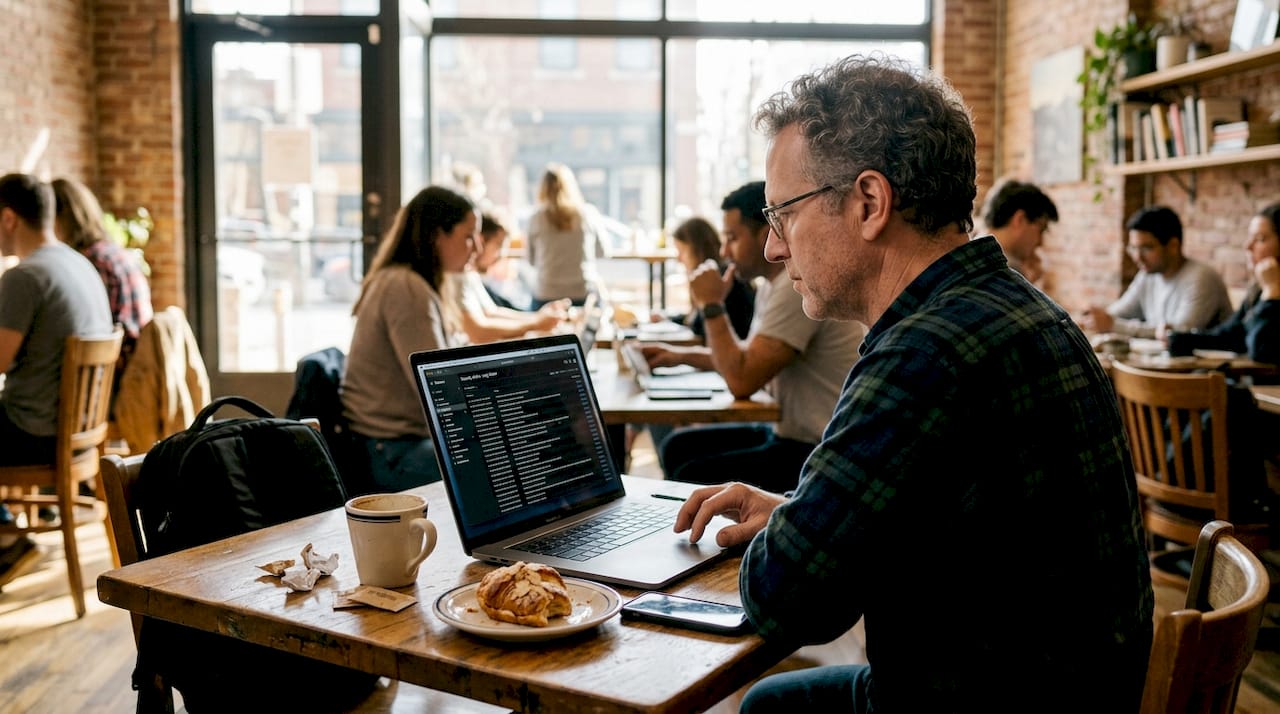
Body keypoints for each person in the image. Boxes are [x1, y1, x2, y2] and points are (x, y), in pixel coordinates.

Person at [674, 55, 1153, 712]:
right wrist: (797, 514)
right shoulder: (1028, 310)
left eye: (783, 212)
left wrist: (792, 535)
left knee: (765, 705)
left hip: (973, 699)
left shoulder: (925, 352)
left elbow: (789, 600)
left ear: (869, 202)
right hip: (1072, 688)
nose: (777, 249)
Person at [640, 181, 864, 491]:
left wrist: (712, 306)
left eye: (732, 238)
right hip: (785, 432)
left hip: (813, 448)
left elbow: (741, 378)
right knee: (678, 447)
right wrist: (679, 356)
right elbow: (746, 356)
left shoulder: (792, 287)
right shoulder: (772, 286)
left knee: (691, 468)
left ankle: (700, 536)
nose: (723, 252)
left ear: (764, 234)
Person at [0, 174, 113, 583]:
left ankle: (8, 540)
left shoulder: (24, 276)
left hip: (33, 431)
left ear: (9, 218)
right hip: (76, 432)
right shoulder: (79, 264)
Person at [341, 185, 476, 492]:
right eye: (468, 236)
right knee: (502, 461)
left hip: (389, 444)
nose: (476, 248)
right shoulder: (407, 289)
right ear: (438, 235)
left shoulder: (409, 281)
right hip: (391, 452)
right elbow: (436, 390)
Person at [1080, 205, 1232, 338]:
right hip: (1163, 367)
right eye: (1133, 248)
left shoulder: (1202, 278)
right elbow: (1118, 312)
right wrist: (1093, 319)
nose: (1137, 257)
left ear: (1173, 246)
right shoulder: (1147, 275)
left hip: (1202, 369)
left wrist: (1113, 325)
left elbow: (1178, 334)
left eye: (1147, 248)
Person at [51, 176, 154, 370]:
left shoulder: (91, 262)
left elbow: (93, 331)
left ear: (62, 219)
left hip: (119, 375)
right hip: (137, 368)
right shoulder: (112, 252)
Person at [1167, 201, 1280, 364]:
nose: (1247, 246)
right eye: (1249, 238)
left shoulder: (1271, 288)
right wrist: (1180, 338)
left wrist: (1272, 293)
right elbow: (1230, 336)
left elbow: (1262, 352)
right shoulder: (1258, 288)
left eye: (1260, 239)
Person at [445, 213, 569, 344]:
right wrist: (535, 324)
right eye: (499, 245)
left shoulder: (469, 274)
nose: (501, 255)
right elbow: (478, 333)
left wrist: (538, 318)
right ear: (481, 240)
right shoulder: (457, 275)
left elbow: (492, 312)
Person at [656, 216, 755, 339]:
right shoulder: (715, 273)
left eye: (682, 251)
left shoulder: (722, 278)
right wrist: (668, 319)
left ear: (698, 249)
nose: (679, 259)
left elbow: (701, 328)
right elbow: (695, 319)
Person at [525, 163, 608, 308]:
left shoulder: (536, 218)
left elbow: (531, 260)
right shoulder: (587, 214)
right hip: (582, 293)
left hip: (546, 295)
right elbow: (603, 251)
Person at [979, 177, 1058, 283]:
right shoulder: (1003, 269)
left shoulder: (977, 253)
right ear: (1020, 219)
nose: (1040, 243)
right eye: (1041, 230)